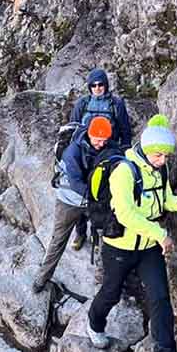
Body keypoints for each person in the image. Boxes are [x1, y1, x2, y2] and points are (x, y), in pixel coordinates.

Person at [85, 116, 177, 352]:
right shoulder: (124, 172)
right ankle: (94, 322)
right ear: (146, 150)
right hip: (119, 246)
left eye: (166, 156)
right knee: (111, 292)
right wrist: (160, 234)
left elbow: (164, 198)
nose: (162, 160)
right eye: (158, 155)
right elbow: (125, 213)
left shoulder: (161, 169)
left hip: (148, 247)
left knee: (160, 297)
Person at [33, 116, 118, 293]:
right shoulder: (72, 151)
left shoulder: (108, 146)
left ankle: (102, 279)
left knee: (106, 235)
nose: (101, 144)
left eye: (104, 140)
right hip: (69, 201)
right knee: (58, 240)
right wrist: (99, 199)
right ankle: (41, 278)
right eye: (97, 140)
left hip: (92, 199)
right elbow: (75, 182)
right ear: (89, 134)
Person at [70, 68, 133, 149]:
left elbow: (125, 130)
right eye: (93, 85)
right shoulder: (82, 103)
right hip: (84, 148)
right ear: (90, 87)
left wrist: (125, 148)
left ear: (105, 85)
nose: (97, 88)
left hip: (109, 148)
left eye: (100, 84)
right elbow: (72, 127)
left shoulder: (116, 103)